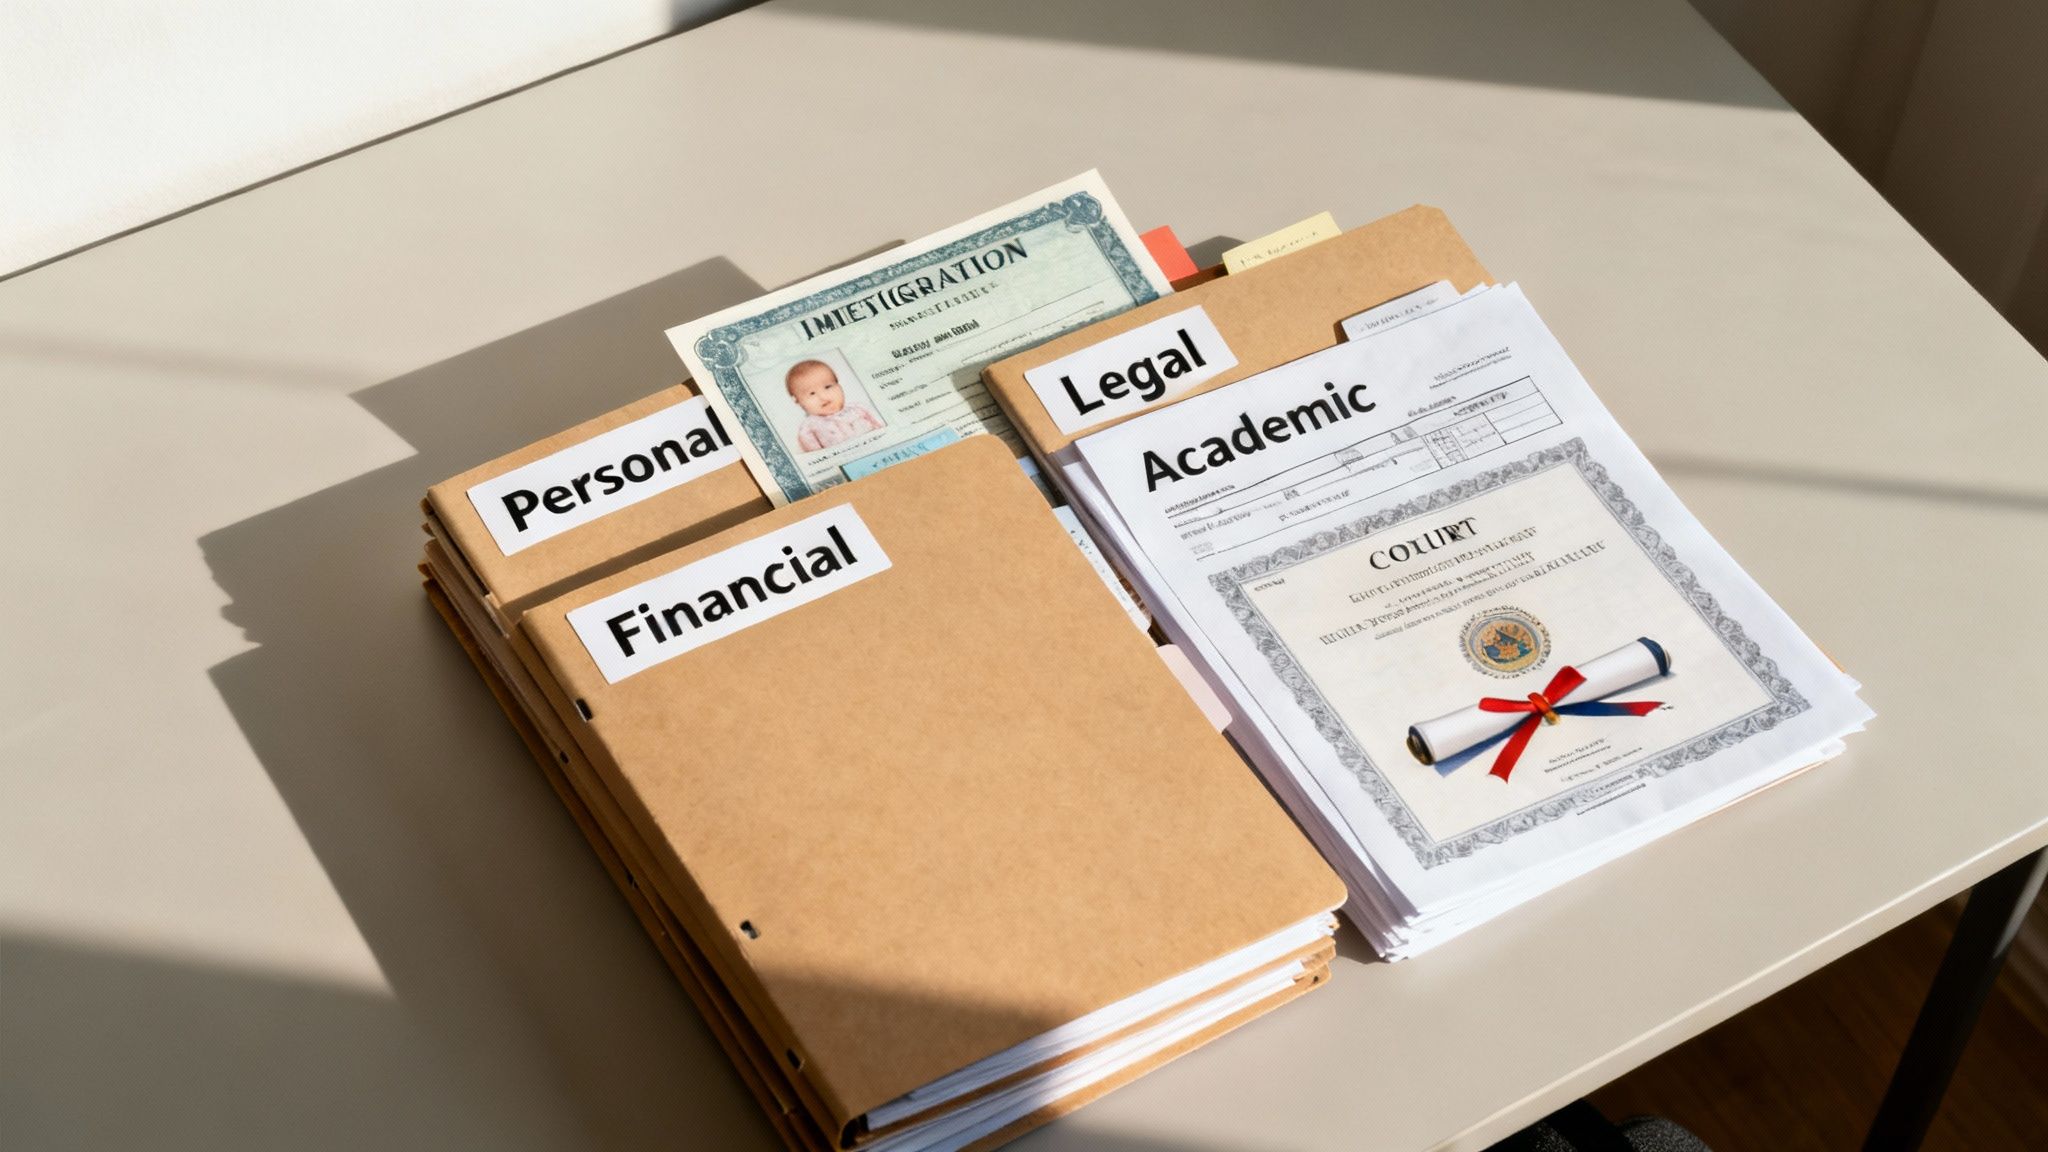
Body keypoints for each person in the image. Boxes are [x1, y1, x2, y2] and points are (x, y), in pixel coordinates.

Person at [785, 358, 884, 452]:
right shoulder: (808, 429)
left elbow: (881, 428)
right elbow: (816, 456)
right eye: (812, 393)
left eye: (828, 387)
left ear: (838, 385)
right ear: (798, 401)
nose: (822, 396)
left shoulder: (859, 409)